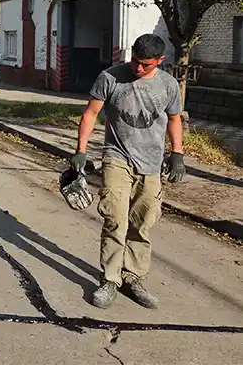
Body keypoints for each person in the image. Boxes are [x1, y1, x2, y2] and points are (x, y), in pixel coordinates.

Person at [71, 33, 186, 310]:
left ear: (160, 60)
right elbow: (90, 114)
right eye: (135, 60)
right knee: (115, 220)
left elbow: (174, 119)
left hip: (152, 163)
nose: (137, 68)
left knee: (142, 224)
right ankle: (110, 280)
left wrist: (178, 155)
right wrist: (80, 151)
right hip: (117, 158)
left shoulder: (168, 85)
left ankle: (133, 277)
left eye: (145, 64)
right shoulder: (110, 77)